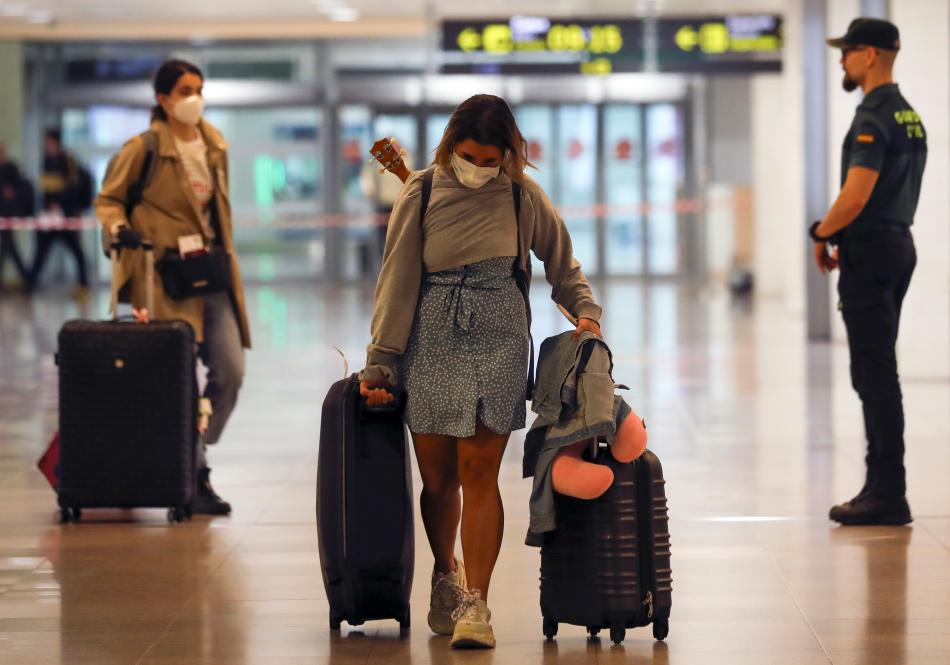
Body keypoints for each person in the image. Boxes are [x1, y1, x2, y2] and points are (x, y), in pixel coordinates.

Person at [359, 94, 603, 649]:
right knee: (439, 478)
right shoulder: (419, 192)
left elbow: (561, 261)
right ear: (451, 146)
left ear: (509, 155)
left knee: (480, 471)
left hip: (498, 336)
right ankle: (446, 576)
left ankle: (477, 604)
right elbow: (395, 280)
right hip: (431, 336)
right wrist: (381, 361)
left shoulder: (522, 195)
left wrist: (585, 313)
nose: (480, 168)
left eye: (492, 159)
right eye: (470, 156)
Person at [96, 59, 252, 516]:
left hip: (212, 271)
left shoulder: (213, 143)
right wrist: (119, 228)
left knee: (231, 371)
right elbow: (108, 200)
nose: (194, 97)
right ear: (163, 98)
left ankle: (191, 448)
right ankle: (192, 472)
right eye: (184, 89)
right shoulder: (143, 147)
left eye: (199, 88)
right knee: (178, 379)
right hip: (163, 276)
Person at [811, 19, 927, 526]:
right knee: (878, 371)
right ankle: (884, 485)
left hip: (872, 250)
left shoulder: (874, 116)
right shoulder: (909, 115)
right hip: (898, 245)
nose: (842, 60)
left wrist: (821, 233)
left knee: (873, 374)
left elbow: (856, 194)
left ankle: (886, 491)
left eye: (849, 50)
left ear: (873, 55)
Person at [28, 129, 91, 298]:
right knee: (42, 250)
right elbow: (46, 189)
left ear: (53, 141)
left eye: (46, 140)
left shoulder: (67, 160)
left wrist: (60, 205)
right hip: (50, 216)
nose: (44, 144)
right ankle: (30, 285)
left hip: (66, 215)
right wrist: (48, 207)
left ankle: (84, 285)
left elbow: (72, 187)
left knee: (76, 250)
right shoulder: (47, 160)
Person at [0, 143, 30, 288]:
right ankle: (27, 279)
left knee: (8, 246)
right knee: (8, 247)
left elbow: (21, 189)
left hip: (8, 214)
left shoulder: (12, 168)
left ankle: (27, 279)